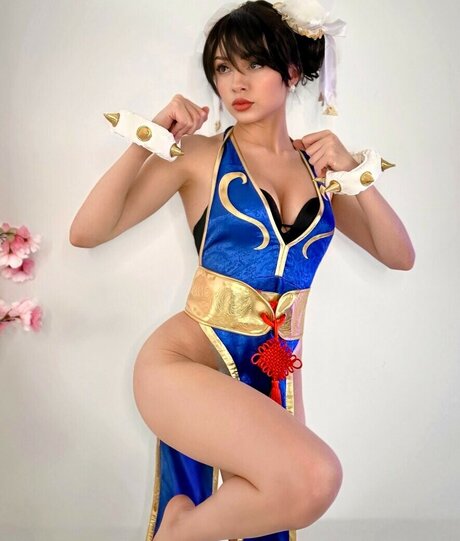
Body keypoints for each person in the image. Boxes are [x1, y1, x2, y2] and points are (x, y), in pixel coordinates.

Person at [69, 2, 415, 541]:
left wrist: (353, 172)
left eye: (254, 64)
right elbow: (87, 232)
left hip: (274, 373)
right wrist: (151, 138)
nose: (237, 83)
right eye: (223, 68)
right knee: (316, 478)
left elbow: (399, 255)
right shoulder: (200, 156)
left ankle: (180, 530)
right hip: (184, 365)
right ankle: (178, 531)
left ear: (292, 72)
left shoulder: (320, 172)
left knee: (296, 494)